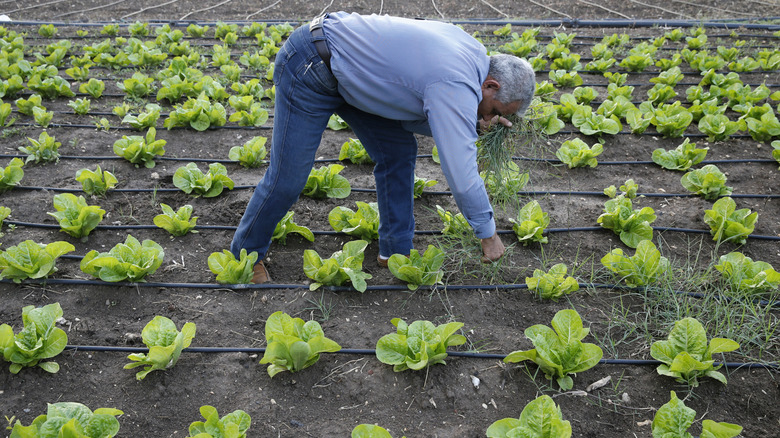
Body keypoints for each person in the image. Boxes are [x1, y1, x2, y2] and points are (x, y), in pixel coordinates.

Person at [231, 12, 536, 284]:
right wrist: (488, 234)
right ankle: (245, 257)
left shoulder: (473, 58)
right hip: (311, 64)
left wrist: (473, 124)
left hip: (354, 77)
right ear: (491, 85)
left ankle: (395, 252)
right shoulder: (455, 81)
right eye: (497, 110)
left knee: (397, 152)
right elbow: (461, 171)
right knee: (289, 177)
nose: (492, 118)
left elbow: (410, 114)